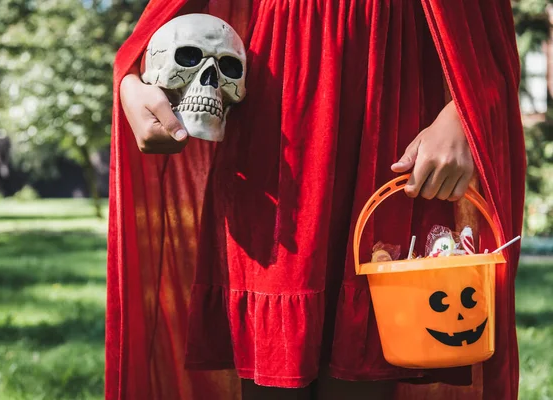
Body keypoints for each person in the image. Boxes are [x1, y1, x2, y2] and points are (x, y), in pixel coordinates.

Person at [106, 1, 526, 399]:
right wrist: (131, 81)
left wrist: (464, 112)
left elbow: (485, 22)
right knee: (273, 351)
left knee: (372, 334)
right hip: (279, 113)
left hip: (395, 111)